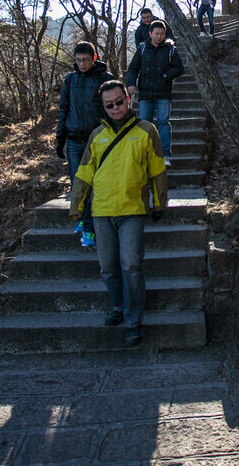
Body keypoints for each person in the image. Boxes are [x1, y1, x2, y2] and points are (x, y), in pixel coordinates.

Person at [69, 81, 167, 346]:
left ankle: (134, 320)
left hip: (132, 209)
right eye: (109, 105)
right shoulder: (97, 136)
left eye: (119, 102)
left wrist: (159, 204)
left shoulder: (147, 131)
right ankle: (118, 307)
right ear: (103, 107)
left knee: (131, 264)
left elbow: (157, 170)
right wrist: (76, 206)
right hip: (101, 211)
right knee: (108, 267)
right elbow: (85, 173)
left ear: (128, 98)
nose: (115, 108)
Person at [56, 42, 114, 248]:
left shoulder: (105, 79)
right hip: (73, 140)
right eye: (78, 60)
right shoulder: (70, 80)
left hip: (97, 141)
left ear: (94, 58)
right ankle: (83, 219)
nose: (81, 64)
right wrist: (59, 139)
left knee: (94, 186)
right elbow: (63, 109)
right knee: (78, 184)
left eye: (86, 60)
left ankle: (89, 229)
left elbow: (113, 110)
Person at [125, 19, 184, 168]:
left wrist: (166, 76)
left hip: (163, 92)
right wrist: (131, 84)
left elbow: (179, 68)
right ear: (150, 33)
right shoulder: (142, 48)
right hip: (145, 92)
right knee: (144, 122)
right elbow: (133, 68)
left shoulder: (170, 49)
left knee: (163, 122)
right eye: (156, 34)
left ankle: (165, 154)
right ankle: (145, 153)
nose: (159, 37)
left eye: (162, 34)